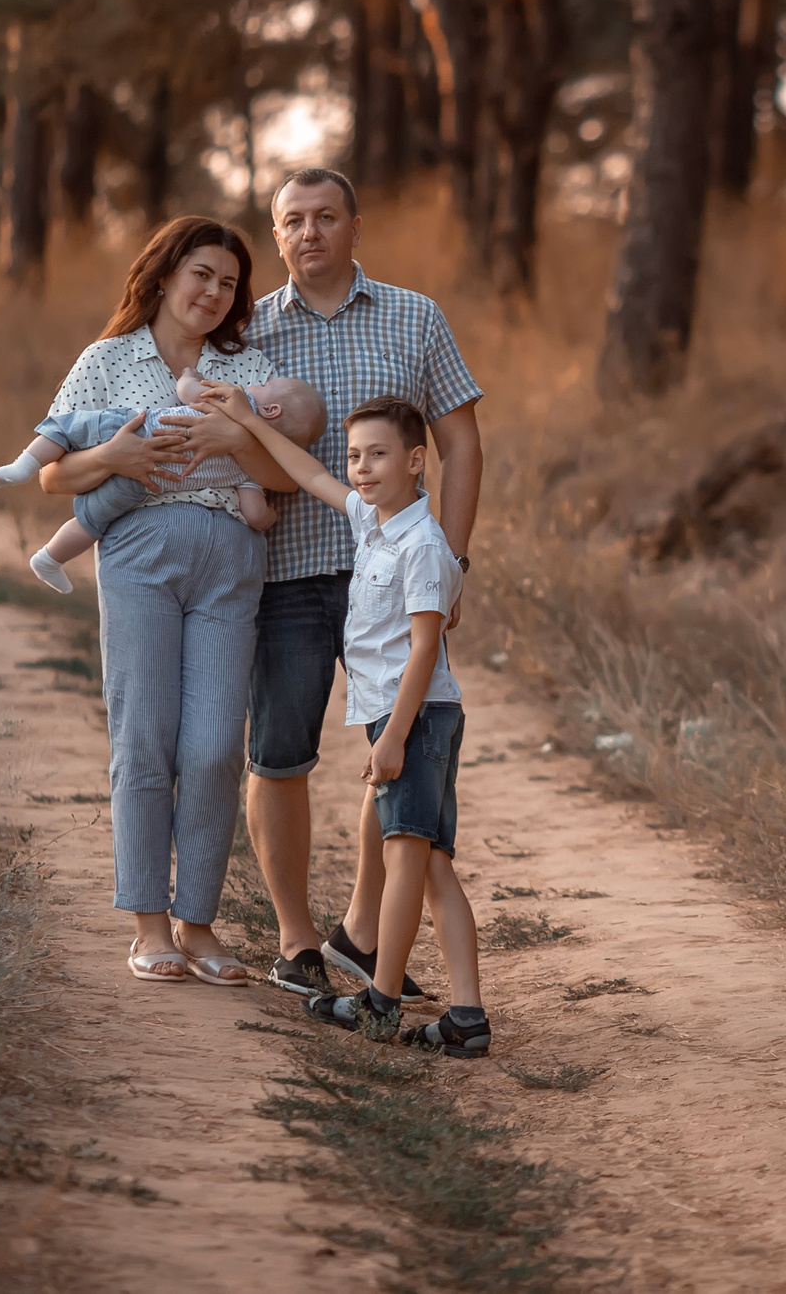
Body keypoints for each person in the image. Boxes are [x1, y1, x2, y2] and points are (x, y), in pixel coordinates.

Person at [242, 166, 485, 1002]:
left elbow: (461, 443)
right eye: (293, 220)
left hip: (392, 579)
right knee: (280, 753)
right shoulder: (247, 332)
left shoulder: (416, 316)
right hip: (286, 572)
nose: (309, 232)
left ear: (355, 227)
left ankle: (359, 930)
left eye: (325, 216)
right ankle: (296, 940)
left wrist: (451, 562)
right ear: (277, 235)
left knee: (398, 746)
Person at [33, 216, 294, 987]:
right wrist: (113, 454)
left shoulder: (247, 367)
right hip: (140, 554)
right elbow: (52, 473)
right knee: (145, 735)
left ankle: (198, 922)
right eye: (201, 273)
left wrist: (236, 439)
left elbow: (284, 474)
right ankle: (150, 923)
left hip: (231, 561)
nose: (214, 292)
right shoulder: (108, 359)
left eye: (228, 283)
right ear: (164, 273)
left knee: (214, 746)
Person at [204, 389, 488, 1055]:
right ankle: (467, 1016)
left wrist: (393, 739)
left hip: (415, 717)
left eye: (378, 455)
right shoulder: (373, 522)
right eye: (356, 456)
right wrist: (245, 419)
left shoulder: (423, 546)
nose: (361, 468)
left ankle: (380, 1005)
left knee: (405, 856)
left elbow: (426, 648)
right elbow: (309, 474)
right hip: (405, 715)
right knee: (432, 864)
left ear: (415, 461)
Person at [0, 365, 326, 593]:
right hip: (146, 482)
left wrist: (191, 376)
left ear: (271, 410)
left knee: (67, 428)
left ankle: (24, 464)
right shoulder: (253, 467)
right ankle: (50, 557)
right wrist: (269, 517)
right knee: (93, 520)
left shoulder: (238, 402)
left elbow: (188, 391)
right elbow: (254, 513)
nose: (255, 384)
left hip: (136, 429)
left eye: (265, 386)